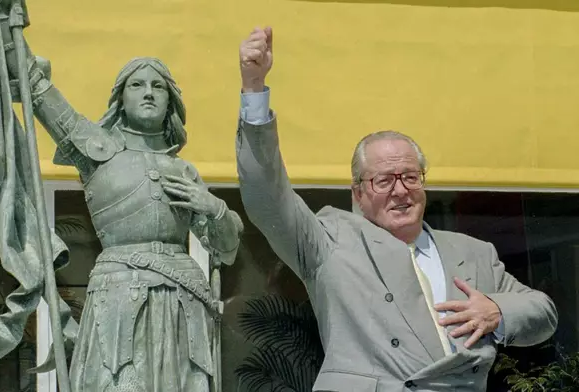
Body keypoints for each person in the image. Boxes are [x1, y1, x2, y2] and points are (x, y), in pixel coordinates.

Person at [235, 27, 558, 391]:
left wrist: (498, 312)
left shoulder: (473, 252)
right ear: (357, 193)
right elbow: (266, 197)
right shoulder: (329, 241)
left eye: (410, 177)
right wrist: (254, 90)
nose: (400, 191)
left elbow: (543, 312)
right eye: (384, 181)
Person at [0, 4, 243, 392]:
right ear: (120, 99)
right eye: (137, 85)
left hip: (183, 305)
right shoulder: (96, 148)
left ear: (170, 102)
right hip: (119, 301)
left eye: (158, 86)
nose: (148, 93)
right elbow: (36, 89)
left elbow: (226, 249)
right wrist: (3, 21)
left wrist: (214, 208)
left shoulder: (186, 172)